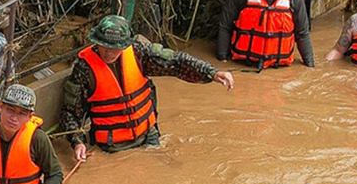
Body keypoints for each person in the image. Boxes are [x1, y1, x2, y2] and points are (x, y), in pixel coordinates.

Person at [61, 15, 234, 162]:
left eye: (117, 47)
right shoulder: (84, 70)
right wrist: (77, 142)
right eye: (106, 46)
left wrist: (212, 72)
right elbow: (70, 112)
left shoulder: (139, 52)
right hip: (113, 145)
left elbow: (176, 61)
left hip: (148, 135)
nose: (110, 52)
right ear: (97, 42)